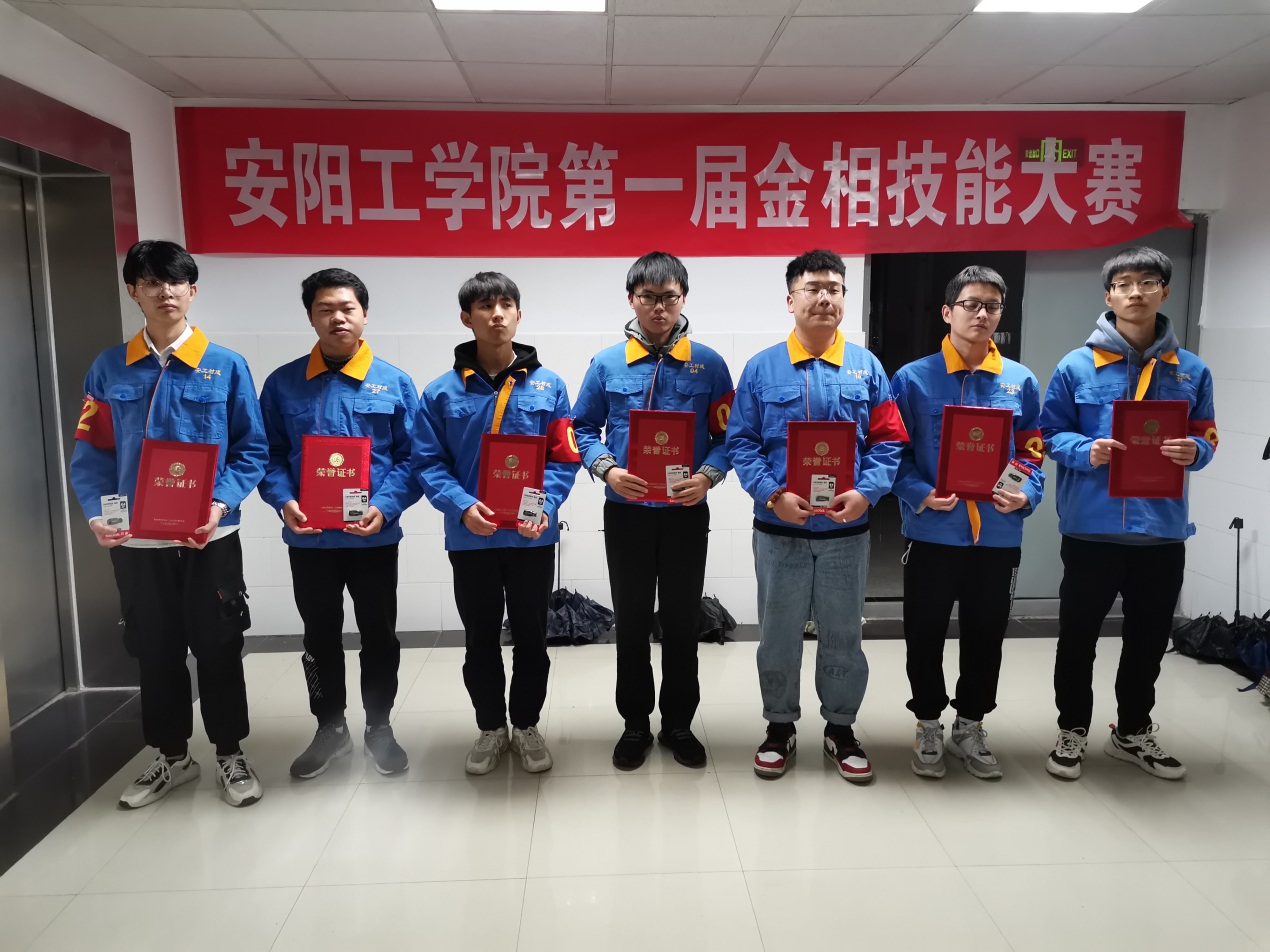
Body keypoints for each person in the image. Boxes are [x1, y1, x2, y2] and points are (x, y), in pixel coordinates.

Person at [69, 239, 267, 808]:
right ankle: (172, 757)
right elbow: (93, 452)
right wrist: (98, 514)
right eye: (152, 282)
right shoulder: (109, 368)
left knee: (220, 645)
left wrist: (219, 505)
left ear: (192, 290)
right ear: (134, 292)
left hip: (211, 537)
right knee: (154, 650)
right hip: (138, 541)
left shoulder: (226, 365)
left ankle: (229, 753)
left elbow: (251, 450)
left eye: (176, 281)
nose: (165, 292)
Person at [727, 248, 908, 782]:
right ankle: (779, 726)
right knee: (777, 635)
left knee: (843, 635)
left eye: (834, 288)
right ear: (791, 299)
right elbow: (741, 442)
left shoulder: (867, 367)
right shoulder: (761, 368)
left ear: (844, 298)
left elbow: (889, 440)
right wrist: (771, 494)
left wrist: (868, 493)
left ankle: (840, 728)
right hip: (779, 530)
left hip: (845, 533)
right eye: (813, 288)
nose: (824, 297)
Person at [1040, 246, 1218, 781]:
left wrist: (1196, 450)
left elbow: (1207, 435)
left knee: (1147, 641)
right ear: (1108, 296)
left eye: (1147, 282)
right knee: (1077, 638)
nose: (1135, 292)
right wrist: (1085, 449)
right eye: (1123, 284)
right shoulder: (1076, 365)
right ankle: (1072, 729)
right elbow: (1048, 434)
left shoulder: (1191, 371)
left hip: (1161, 533)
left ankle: (1133, 730)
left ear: (1165, 291)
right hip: (1092, 530)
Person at [572, 251, 733, 770]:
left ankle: (679, 723)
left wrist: (707, 477)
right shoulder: (607, 364)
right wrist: (606, 470)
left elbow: (729, 435)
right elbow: (581, 428)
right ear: (632, 300)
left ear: (683, 299)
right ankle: (635, 724)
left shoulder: (709, 363)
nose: (659, 307)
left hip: (685, 512)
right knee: (633, 620)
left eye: (669, 297)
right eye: (649, 297)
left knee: (683, 623)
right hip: (628, 511)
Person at [414, 272, 580, 775]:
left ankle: (526, 724)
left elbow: (563, 458)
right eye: (485, 306)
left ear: (519, 315)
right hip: (472, 537)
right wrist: (462, 506)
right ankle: (491, 727)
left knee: (532, 637)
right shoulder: (440, 392)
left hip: (531, 538)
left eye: (506, 304)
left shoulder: (550, 385)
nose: (497, 314)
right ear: (467, 318)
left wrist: (544, 507)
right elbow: (428, 462)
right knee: (480, 639)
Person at [258, 268, 419, 779]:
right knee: (318, 637)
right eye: (325, 309)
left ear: (364, 315)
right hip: (309, 540)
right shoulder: (283, 384)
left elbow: (414, 458)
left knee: (379, 635)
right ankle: (330, 727)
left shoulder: (395, 382)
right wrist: (284, 501)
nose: (337, 318)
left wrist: (385, 507)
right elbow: (268, 455)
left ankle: (379, 726)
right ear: (311, 317)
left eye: (347, 308)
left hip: (373, 538)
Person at [889, 266, 1045, 781]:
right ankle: (928, 723)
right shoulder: (913, 379)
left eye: (992, 306)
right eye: (971, 304)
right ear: (947, 311)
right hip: (934, 531)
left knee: (986, 634)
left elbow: (1031, 452)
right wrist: (919, 493)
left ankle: (971, 724)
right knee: (925, 633)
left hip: (998, 534)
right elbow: (892, 453)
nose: (982, 314)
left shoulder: (1019, 380)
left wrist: (1025, 494)